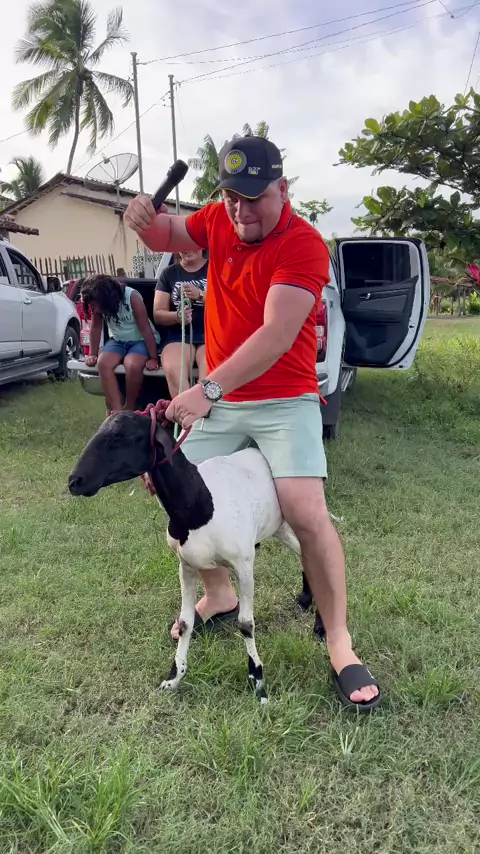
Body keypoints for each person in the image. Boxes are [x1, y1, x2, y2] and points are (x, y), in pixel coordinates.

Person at [124, 136, 380, 711]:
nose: (241, 211)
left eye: (254, 197)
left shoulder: (304, 245)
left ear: (282, 189)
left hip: (285, 398)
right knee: (174, 491)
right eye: (231, 197)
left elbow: (276, 335)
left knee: (305, 511)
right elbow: (166, 234)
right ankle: (217, 594)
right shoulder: (218, 220)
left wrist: (206, 390)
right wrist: (143, 219)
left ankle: (340, 642)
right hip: (222, 395)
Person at [81, 274, 160, 413]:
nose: (96, 308)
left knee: (133, 364)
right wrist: (92, 354)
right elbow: (96, 327)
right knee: (103, 363)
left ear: (107, 298)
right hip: (117, 340)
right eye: (93, 306)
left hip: (140, 340)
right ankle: (117, 409)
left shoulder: (132, 297)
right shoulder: (98, 303)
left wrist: (154, 358)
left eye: (96, 305)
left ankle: (130, 405)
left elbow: (145, 329)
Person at [154, 250, 208, 397]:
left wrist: (201, 295)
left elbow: (228, 302)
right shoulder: (168, 274)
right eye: (182, 245)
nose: (187, 249)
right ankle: (185, 409)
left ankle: (205, 408)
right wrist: (177, 316)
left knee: (210, 371)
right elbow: (158, 313)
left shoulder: (215, 268)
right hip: (178, 336)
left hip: (212, 333)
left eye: (191, 244)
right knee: (173, 367)